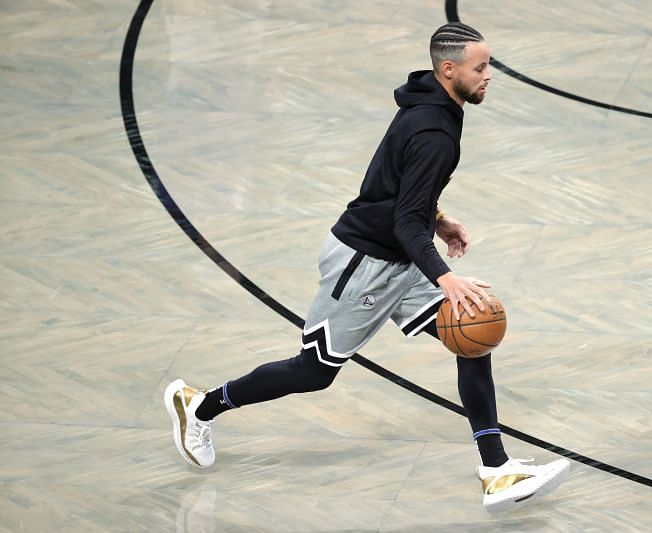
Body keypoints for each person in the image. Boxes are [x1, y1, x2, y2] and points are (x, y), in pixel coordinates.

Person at [165, 22, 569, 513]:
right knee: (313, 371)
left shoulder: (433, 105)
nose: (489, 75)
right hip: (364, 264)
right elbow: (402, 218)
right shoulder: (434, 129)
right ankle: (199, 405)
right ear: (449, 69)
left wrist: (438, 219)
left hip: (398, 256)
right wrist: (445, 274)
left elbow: (397, 189)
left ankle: (496, 469)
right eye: (479, 67)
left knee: (473, 332)